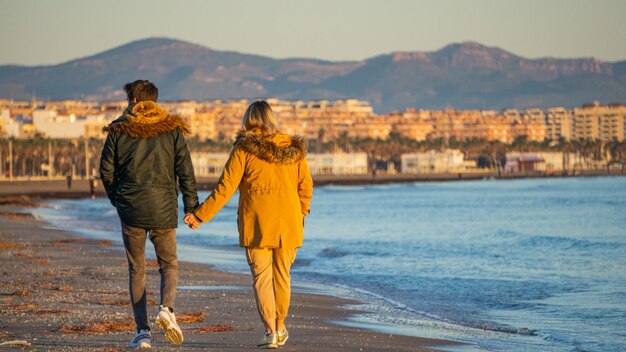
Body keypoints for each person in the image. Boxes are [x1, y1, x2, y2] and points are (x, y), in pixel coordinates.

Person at [185, 101, 313, 349]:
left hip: (256, 223)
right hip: (289, 224)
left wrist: (200, 216)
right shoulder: (293, 148)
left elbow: (225, 188)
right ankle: (281, 327)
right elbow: (305, 188)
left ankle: (271, 331)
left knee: (262, 278)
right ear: (271, 118)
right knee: (282, 277)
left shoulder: (243, 149)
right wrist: (300, 215)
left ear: (248, 119)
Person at [99, 80, 198, 349]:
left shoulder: (119, 130)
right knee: (169, 264)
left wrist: (118, 200)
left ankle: (142, 332)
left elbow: (106, 172)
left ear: (133, 101)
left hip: (131, 209)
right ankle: (166, 309)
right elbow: (186, 172)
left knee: (137, 270)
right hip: (163, 209)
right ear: (154, 101)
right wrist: (192, 208)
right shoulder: (172, 131)